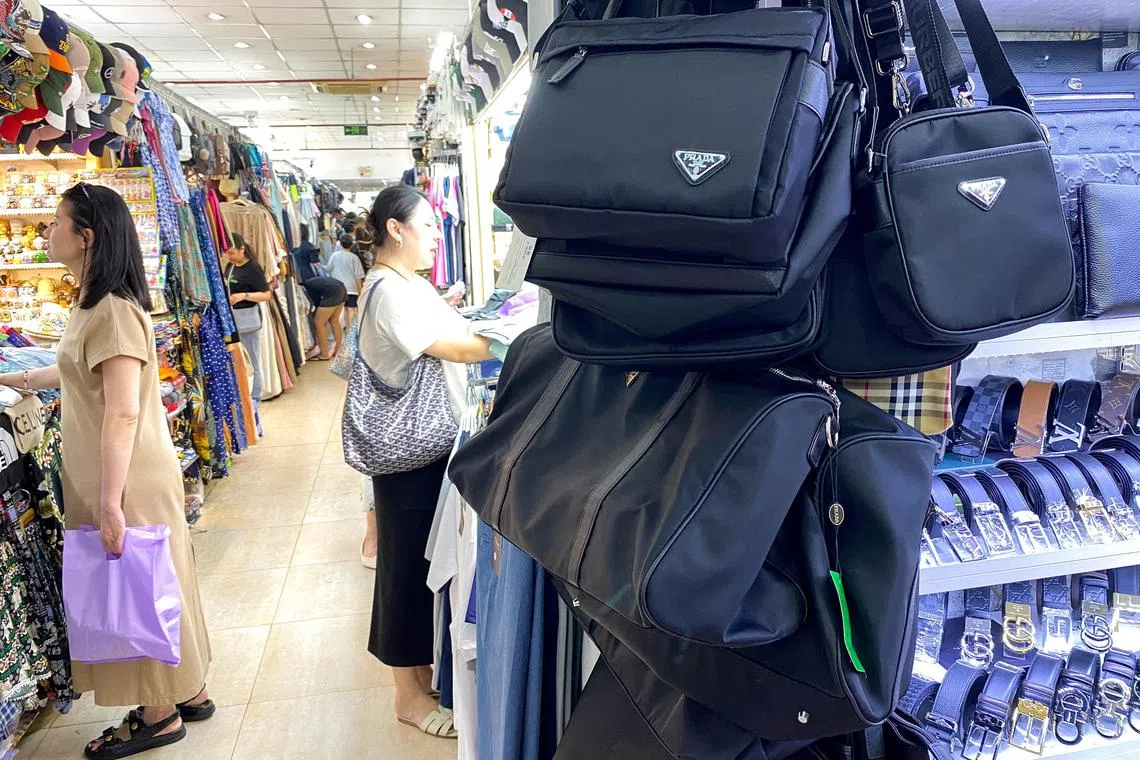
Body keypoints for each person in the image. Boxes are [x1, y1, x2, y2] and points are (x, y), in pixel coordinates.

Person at [0, 183, 213, 759]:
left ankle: (158, 713)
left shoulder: (113, 311)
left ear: (86, 237)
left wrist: (112, 504)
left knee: (134, 587)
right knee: (156, 579)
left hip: (122, 476)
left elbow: (121, 411)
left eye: (56, 223)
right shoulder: (96, 305)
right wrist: (17, 379)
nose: (48, 233)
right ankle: (186, 687)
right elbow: (75, 374)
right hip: (115, 472)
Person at [358, 184, 495, 738]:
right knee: (402, 570)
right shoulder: (388, 291)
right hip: (407, 452)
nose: (438, 235)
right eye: (430, 226)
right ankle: (406, 696)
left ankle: (419, 674)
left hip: (428, 447)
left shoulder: (407, 283)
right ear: (397, 228)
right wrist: (520, 337)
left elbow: (450, 328)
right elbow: (456, 348)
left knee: (418, 566)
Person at [223, 234, 272, 401]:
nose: (229, 256)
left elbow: (266, 295)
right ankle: (243, 394)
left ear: (242, 249)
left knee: (252, 359)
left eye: (232, 253)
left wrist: (244, 295)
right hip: (233, 318)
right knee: (238, 359)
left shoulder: (253, 268)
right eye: (227, 253)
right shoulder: (230, 266)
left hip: (247, 319)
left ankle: (255, 397)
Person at [292, 225, 347, 361]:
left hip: (331, 292)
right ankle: (339, 350)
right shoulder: (309, 246)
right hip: (339, 286)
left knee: (319, 322)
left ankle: (323, 353)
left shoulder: (303, 287)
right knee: (334, 321)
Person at [329, 234, 366, 323]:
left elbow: (328, 268)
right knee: (351, 309)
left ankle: (348, 328)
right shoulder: (354, 257)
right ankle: (351, 332)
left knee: (345, 309)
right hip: (352, 288)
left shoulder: (334, 255)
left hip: (339, 287)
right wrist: (360, 291)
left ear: (340, 244)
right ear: (351, 244)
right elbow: (359, 275)